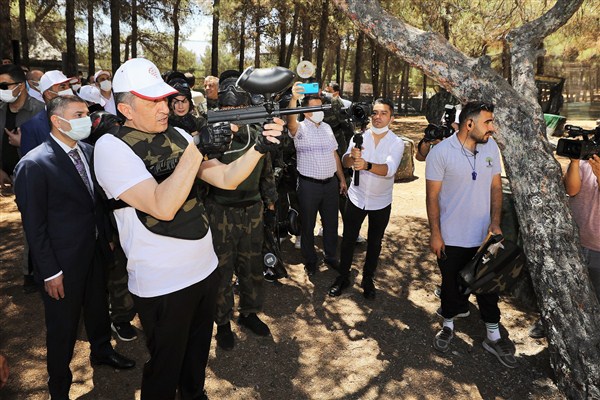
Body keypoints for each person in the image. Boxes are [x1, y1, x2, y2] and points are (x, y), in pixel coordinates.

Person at [93, 58, 283, 400]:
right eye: (152, 101)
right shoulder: (111, 147)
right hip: (162, 283)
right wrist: (196, 149)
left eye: (164, 98)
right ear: (126, 109)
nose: (164, 107)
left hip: (204, 269)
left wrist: (259, 148)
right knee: (165, 370)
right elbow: (160, 206)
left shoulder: (179, 135)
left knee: (195, 363)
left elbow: (225, 177)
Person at [13, 95, 135, 400]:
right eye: (79, 114)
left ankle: (103, 351)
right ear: (57, 120)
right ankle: (59, 387)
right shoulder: (34, 164)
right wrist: (50, 271)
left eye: (87, 113)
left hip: (94, 250)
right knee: (63, 326)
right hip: (61, 262)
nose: (87, 119)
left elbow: (97, 203)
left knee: (97, 307)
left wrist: (105, 236)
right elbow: (34, 226)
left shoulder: (89, 151)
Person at [425, 101, 517, 368]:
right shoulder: (441, 153)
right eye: (488, 122)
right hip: (451, 237)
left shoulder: (491, 148)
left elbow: (496, 188)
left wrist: (496, 222)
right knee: (451, 285)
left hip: (483, 238)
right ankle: (449, 325)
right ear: (469, 124)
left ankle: (492, 335)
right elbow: (432, 197)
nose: (492, 127)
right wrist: (436, 234)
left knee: (489, 287)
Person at [207, 70, 277, 350]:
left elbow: (266, 169)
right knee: (222, 271)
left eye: (238, 107)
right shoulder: (211, 134)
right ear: (219, 107)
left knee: (252, 266)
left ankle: (249, 313)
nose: (233, 111)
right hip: (219, 210)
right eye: (227, 107)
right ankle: (222, 323)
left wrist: (270, 202)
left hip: (252, 209)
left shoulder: (258, 131)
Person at [328, 98, 404, 299]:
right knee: (348, 241)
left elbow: (389, 170)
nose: (378, 117)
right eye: (375, 113)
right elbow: (344, 161)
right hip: (356, 198)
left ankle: (368, 279)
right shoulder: (359, 138)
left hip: (381, 202)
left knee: (374, 243)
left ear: (392, 118)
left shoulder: (396, 143)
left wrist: (367, 165)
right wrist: (352, 158)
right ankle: (343, 277)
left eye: (384, 113)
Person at [287, 84, 347, 276]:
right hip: (308, 186)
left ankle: (330, 256)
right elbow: (290, 123)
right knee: (308, 225)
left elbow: (335, 155)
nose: (319, 111)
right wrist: (294, 99)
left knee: (331, 223)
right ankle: (310, 260)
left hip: (330, 185)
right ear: (305, 112)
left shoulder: (327, 127)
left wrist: (342, 179)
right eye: (314, 108)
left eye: (321, 107)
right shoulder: (301, 129)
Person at [0, 63, 46, 292]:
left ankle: (33, 272)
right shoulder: (0, 109)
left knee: (33, 222)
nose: (1, 90)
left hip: (32, 177)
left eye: (4, 85)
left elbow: (49, 147)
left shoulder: (39, 110)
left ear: (20, 86)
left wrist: (22, 144)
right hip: (8, 175)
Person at [564, 155, 600, 299]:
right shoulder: (585, 163)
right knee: (570, 298)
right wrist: (574, 162)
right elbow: (571, 190)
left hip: (598, 250)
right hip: (574, 243)